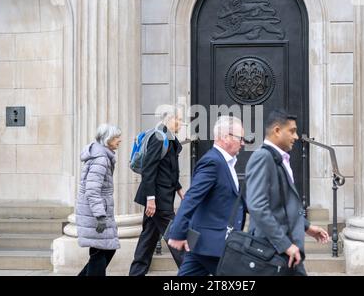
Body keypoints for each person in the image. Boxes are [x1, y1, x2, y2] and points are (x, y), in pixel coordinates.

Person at [245, 109, 329, 276]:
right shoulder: (263, 157)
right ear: (277, 131)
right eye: (292, 131)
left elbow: (282, 205)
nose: (296, 137)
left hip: (287, 251)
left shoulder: (278, 158)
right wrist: (284, 244)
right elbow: (257, 207)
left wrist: (306, 226)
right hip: (273, 250)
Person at [167, 116, 246, 276]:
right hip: (212, 244)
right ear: (226, 137)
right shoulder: (212, 162)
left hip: (207, 244)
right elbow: (191, 198)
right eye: (240, 138)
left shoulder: (226, 162)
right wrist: (177, 233)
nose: (243, 143)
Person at [129, 106, 185, 276]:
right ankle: (192, 271)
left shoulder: (168, 137)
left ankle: (136, 273)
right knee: (175, 235)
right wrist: (151, 199)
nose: (181, 123)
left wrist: (180, 189)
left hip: (161, 196)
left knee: (148, 238)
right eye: (179, 119)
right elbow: (149, 169)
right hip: (158, 200)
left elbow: (168, 170)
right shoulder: (159, 138)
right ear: (169, 119)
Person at [76, 124, 122, 276]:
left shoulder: (102, 155)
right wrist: (100, 215)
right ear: (107, 139)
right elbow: (92, 190)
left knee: (103, 250)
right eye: (116, 137)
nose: (119, 140)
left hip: (96, 210)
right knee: (100, 251)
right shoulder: (101, 159)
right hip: (95, 213)